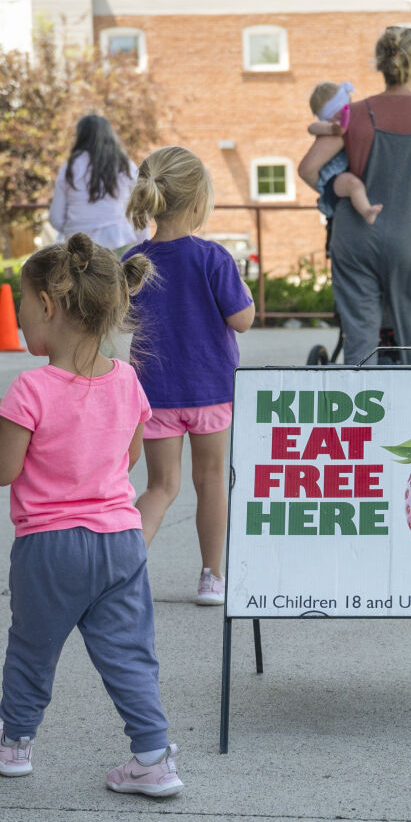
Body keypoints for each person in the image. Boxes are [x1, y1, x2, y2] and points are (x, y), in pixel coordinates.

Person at [0, 234, 182, 797]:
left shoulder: (30, 389)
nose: (20, 321)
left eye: (22, 307)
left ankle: (15, 742)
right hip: (121, 541)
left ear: (48, 305)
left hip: (49, 547)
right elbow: (130, 455)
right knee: (129, 653)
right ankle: (153, 757)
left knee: (33, 649)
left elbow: (1, 470)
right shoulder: (128, 380)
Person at [123, 147, 256, 607]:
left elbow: (122, 324)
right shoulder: (213, 258)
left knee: (161, 486)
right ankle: (212, 577)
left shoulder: (134, 261)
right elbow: (241, 320)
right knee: (212, 479)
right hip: (211, 391)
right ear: (199, 202)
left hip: (154, 393)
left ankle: (121, 574)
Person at [298, 27, 411, 365]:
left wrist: (340, 185)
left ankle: (361, 410)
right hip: (408, 235)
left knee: (360, 336)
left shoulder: (354, 116)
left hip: (354, 236)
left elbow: (308, 168)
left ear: (380, 64)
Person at [48, 114, 143, 250]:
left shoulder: (69, 167)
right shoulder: (125, 166)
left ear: (81, 136)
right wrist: (143, 245)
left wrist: (74, 229)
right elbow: (139, 211)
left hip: (80, 248)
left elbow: (56, 218)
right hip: (119, 240)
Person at [302, 81, 380, 225]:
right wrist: (332, 129)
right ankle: (366, 211)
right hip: (334, 177)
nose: (340, 118)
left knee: (356, 185)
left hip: (350, 173)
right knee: (353, 185)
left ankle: (366, 209)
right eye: (333, 115)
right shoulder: (328, 127)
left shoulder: (358, 119)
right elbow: (312, 127)